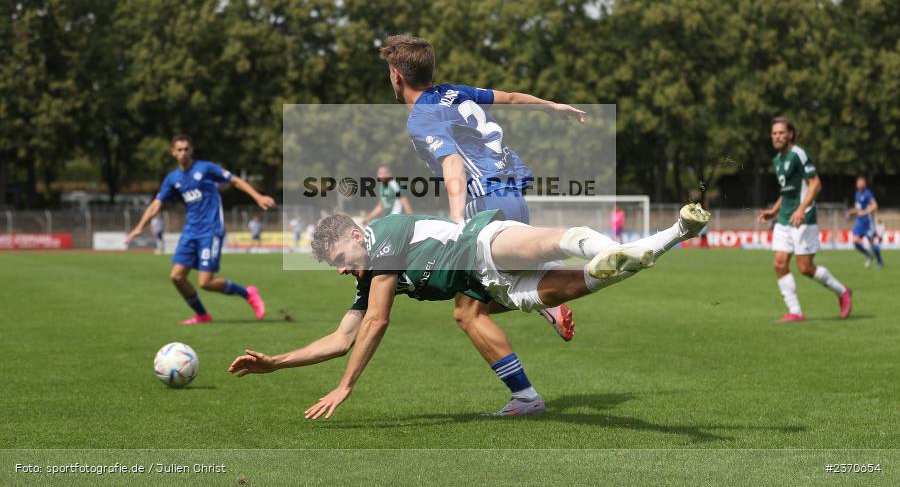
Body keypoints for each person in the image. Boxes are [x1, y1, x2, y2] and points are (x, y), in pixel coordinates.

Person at [228, 203, 710, 419]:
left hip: (482, 242)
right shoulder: (370, 276)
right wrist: (275, 362)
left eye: (338, 261)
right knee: (593, 278)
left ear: (356, 237)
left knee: (557, 240)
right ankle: (674, 235)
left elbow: (376, 322)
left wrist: (345, 386)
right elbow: (341, 338)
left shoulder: (385, 238)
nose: (339, 271)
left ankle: (608, 245)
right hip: (492, 287)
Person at [379, 34, 583, 349]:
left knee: (469, 311)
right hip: (513, 196)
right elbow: (513, 98)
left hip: (483, 204)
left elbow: (453, 164)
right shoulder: (454, 92)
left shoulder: (421, 117)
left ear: (397, 76)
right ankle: (550, 292)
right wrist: (550, 107)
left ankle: (527, 393)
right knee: (475, 303)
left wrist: (458, 221)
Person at [126, 134, 274, 324]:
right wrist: (139, 227)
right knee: (177, 277)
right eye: (179, 150)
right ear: (173, 152)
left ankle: (248, 293)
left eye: (186, 149)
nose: (183, 153)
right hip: (190, 232)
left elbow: (235, 180)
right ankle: (202, 315)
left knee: (205, 283)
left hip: (211, 231)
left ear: (192, 151)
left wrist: (258, 197)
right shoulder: (172, 179)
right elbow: (156, 204)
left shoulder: (206, 168)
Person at [757, 117, 852, 322]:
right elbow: (787, 192)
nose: (777, 136)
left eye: (781, 132)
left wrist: (801, 208)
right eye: (774, 133)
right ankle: (795, 311)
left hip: (804, 218)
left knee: (805, 268)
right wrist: (774, 211)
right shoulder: (777, 160)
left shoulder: (798, 154)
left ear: (790, 134)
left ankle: (843, 291)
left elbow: (815, 183)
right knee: (779, 263)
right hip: (784, 219)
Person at [847, 176, 884, 268]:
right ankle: (869, 255)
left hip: (868, 222)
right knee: (855, 242)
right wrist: (851, 212)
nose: (859, 184)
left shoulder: (868, 194)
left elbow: (875, 206)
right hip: (859, 222)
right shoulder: (857, 194)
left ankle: (879, 261)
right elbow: (858, 208)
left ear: (864, 184)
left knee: (872, 242)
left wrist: (865, 212)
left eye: (861, 183)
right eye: (858, 182)